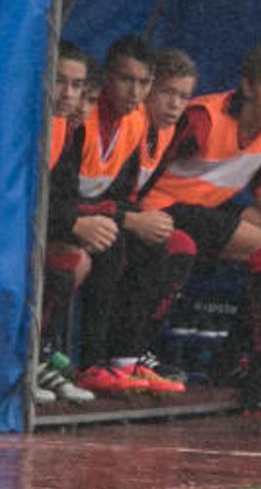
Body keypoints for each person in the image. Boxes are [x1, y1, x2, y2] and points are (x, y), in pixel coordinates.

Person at [140, 42, 261, 414]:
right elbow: (146, 161)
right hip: (161, 205)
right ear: (247, 86)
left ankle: (233, 361)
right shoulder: (202, 119)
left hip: (206, 206)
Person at [71, 35, 186, 396]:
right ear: (106, 77)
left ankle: (127, 358)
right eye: (126, 80)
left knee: (162, 244)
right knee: (111, 241)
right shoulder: (82, 117)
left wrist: (130, 218)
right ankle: (90, 363)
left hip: (97, 214)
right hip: (63, 217)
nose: (135, 92)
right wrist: (127, 219)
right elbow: (58, 192)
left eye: (143, 82)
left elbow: (119, 193)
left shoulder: (135, 121)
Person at [115, 47, 202, 385]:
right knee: (153, 245)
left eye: (184, 96)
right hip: (107, 217)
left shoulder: (169, 132)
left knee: (181, 244)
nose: (175, 104)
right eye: (166, 92)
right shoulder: (132, 124)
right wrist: (133, 219)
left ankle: (140, 348)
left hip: (127, 215)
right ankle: (119, 353)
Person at [33, 41, 99, 405]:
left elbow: (63, 196)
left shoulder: (64, 129)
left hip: (33, 231)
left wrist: (76, 225)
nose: (68, 93)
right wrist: (72, 223)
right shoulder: (22, 119)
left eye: (77, 85)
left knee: (79, 257)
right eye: (60, 81)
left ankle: (41, 355)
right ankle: (26, 360)